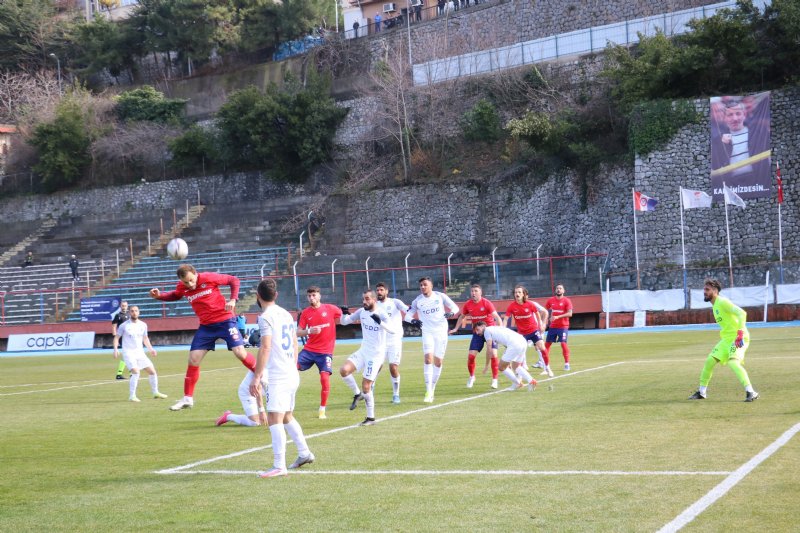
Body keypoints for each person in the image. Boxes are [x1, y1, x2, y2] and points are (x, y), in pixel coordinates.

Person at [149, 264, 256, 411]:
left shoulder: (208, 278)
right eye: (186, 282)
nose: (190, 285)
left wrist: (233, 300)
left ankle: (262, 374)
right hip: (206, 326)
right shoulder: (182, 286)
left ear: (195, 273)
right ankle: (187, 398)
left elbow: (234, 280)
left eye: (191, 280)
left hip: (225, 320)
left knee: (240, 352)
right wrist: (160, 296)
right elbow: (176, 295)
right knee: (193, 359)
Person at [250, 278, 314, 478]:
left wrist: (257, 376)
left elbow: (266, 347)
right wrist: (293, 365)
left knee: (274, 418)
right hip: (291, 372)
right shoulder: (285, 313)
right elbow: (295, 342)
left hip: (278, 375)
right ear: (275, 295)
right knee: (286, 415)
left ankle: (279, 465)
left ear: (257, 296)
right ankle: (304, 453)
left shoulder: (265, 317)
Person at [688, 279, 759, 402]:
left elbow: (742, 313)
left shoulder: (722, 302)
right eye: (704, 289)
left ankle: (751, 392)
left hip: (738, 338)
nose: (704, 292)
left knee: (733, 362)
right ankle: (702, 392)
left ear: (715, 291)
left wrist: (740, 333)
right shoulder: (715, 305)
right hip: (727, 340)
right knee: (710, 361)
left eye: (707, 290)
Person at [339, 289, 398, 425]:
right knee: (344, 370)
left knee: (367, 386)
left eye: (367, 299)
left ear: (374, 300)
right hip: (363, 351)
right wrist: (344, 314)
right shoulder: (361, 311)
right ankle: (357, 393)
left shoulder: (381, 314)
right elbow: (344, 322)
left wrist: (380, 323)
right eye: (363, 299)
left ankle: (370, 418)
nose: (364, 302)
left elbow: (393, 330)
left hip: (376, 355)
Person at [404, 277, 459, 403]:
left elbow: (455, 308)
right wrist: (413, 320)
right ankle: (428, 390)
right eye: (421, 285)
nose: (423, 287)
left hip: (441, 332)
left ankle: (432, 387)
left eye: (425, 285)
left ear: (431, 286)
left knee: (438, 362)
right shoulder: (417, 301)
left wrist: (451, 313)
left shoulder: (440, 296)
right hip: (427, 332)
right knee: (428, 358)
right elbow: (407, 315)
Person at [296, 286, 344, 419]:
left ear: (319, 296)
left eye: (314, 295)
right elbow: (298, 332)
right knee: (291, 368)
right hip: (309, 350)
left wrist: (346, 316)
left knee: (324, 379)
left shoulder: (330, 309)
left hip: (325, 352)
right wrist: (309, 331)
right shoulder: (305, 313)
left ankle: (322, 409)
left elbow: (344, 320)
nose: (311, 298)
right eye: (309, 296)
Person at [448, 284, 502, 389]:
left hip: (490, 332)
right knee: (471, 356)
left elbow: (497, 317)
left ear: (480, 292)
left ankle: (494, 380)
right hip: (477, 333)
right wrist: (455, 328)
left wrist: (500, 330)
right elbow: (461, 317)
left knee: (493, 354)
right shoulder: (468, 304)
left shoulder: (487, 303)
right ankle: (472, 377)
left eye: (476, 291)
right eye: (472, 291)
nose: (473, 293)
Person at [112, 305, 168, 402]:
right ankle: (132, 396)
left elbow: (145, 338)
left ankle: (155, 392)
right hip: (128, 353)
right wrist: (116, 349)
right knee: (136, 372)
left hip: (140, 353)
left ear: (139, 312)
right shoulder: (124, 325)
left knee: (152, 372)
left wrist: (151, 349)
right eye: (132, 311)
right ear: (130, 313)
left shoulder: (143, 325)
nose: (134, 313)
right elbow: (116, 338)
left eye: (136, 311)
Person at [472, 321, 537, 391]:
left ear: (483, 326)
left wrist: (487, 365)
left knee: (501, 367)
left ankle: (518, 383)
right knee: (516, 366)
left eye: (477, 329)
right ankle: (531, 381)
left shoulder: (486, 331)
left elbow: (489, 349)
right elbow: (506, 343)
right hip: (522, 341)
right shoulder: (494, 329)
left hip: (515, 344)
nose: (477, 333)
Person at [505, 285, 552, 377]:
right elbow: (506, 318)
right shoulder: (511, 306)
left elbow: (538, 314)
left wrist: (541, 324)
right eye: (515, 292)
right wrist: (503, 328)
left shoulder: (530, 304)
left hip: (534, 331)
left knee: (542, 348)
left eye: (519, 292)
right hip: (522, 333)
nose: (517, 294)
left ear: (523, 294)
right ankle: (520, 373)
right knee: (520, 352)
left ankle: (547, 368)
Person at [375, 282, 408, 403]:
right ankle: (370, 391)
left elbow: (407, 309)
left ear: (386, 291)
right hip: (380, 341)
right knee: (376, 366)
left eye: (381, 290)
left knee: (393, 367)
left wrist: (410, 313)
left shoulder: (395, 302)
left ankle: (396, 395)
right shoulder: (375, 305)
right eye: (377, 290)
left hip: (394, 340)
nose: (379, 292)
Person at [545, 283, 573, 370]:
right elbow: (544, 310)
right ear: (555, 290)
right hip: (553, 326)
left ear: (563, 291)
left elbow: (570, 313)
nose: (558, 290)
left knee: (563, 343)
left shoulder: (567, 301)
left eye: (560, 288)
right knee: (547, 345)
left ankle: (567, 363)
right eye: (557, 288)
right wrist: (545, 319)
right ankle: (545, 364)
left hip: (563, 326)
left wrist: (557, 317)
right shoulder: (551, 300)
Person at [111, 300, 131, 380]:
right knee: (128, 354)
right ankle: (130, 373)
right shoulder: (117, 315)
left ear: (127, 306)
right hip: (122, 338)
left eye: (125, 305)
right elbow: (114, 327)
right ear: (120, 306)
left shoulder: (129, 315)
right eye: (122, 306)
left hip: (129, 337)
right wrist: (116, 337)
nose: (124, 307)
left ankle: (120, 374)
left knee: (128, 355)